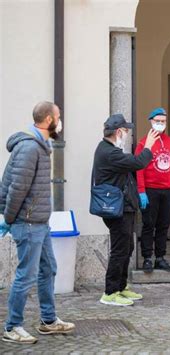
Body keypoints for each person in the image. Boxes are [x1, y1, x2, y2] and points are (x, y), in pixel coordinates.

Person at [0, 101, 75, 344]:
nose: (60, 121)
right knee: (26, 276)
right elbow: (16, 188)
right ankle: (12, 327)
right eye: (59, 116)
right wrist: (9, 219)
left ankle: (48, 320)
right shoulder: (30, 148)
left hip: (40, 223)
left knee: (48, 269)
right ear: (49, 120)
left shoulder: (40, 146)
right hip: (28, 223)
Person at [92, 114, 159, 306]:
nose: (128, 134)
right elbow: (138, 163)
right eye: (126, 131)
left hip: (123, 206)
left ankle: (121, 287)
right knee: (120, 250)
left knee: (127, 247)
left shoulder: (110, 149)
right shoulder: (109, 152)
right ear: (119, 131)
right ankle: (110, 292)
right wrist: (149, 146)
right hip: (117, 209)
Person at [136, 107, 170, 273]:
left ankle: (160, 257)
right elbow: (139, 168)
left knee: (164, 225)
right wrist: (141, 191)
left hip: (168, 190)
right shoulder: (144, 143)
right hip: (150, 190)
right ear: (151, 122)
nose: (160, 124)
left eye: (163, 121)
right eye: (157, 121)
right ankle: (147, 258)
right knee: (149, 224)